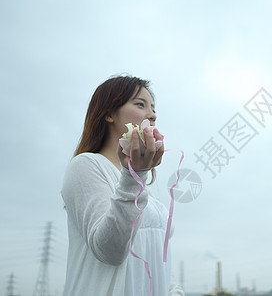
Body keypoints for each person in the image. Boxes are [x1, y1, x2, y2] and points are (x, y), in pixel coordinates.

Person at [61, 75, 184, 296]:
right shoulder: (86, 165)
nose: (153, 115)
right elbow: (110, 251)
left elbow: (159, 259)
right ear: (109, 113)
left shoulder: (142, 185)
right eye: (140, 104)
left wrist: (175, 291)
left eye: (153, 108)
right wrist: (133, 175)